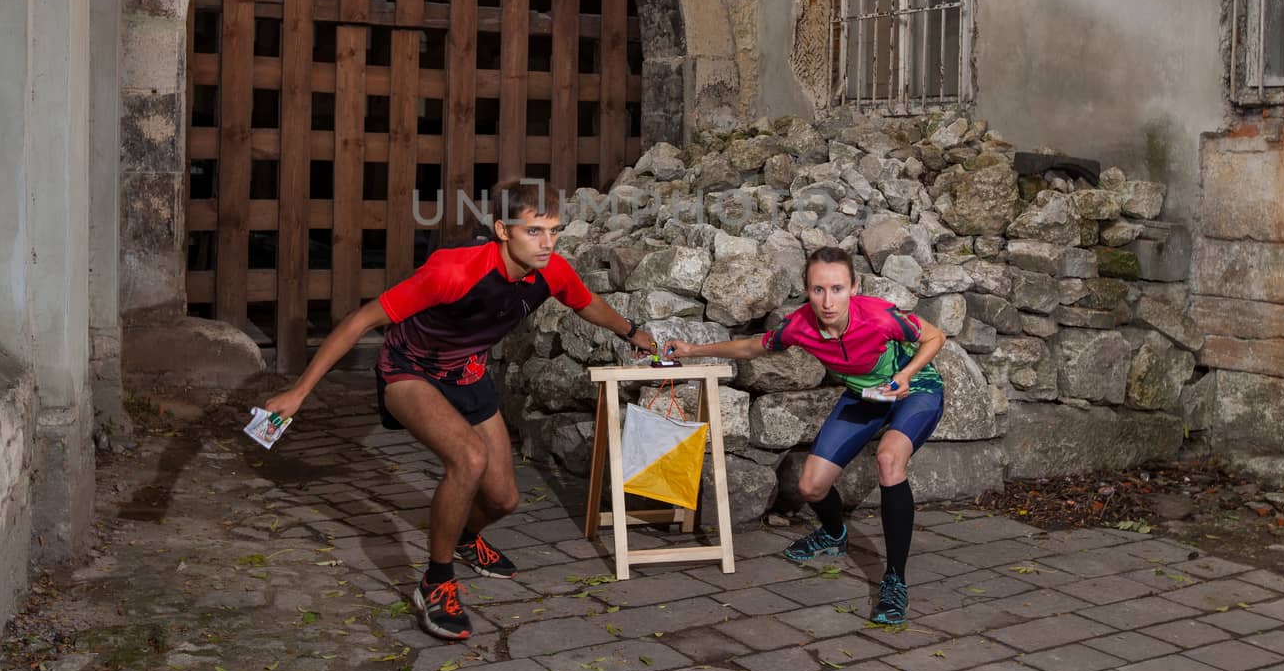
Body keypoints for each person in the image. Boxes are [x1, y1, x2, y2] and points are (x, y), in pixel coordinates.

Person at [263, 179, 658, 640]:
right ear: (502, 231)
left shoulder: (551, 272)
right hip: (410, 370)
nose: (548, 243)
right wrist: (299, 392)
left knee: (505, 499)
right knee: (468, 457)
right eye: (534, 231)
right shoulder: (453, 271)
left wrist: (633, 333)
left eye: (554, 231)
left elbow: (587, 305)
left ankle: (467, 538)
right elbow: (361, 320)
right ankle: (436, 580)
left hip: (467, 374)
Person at [663, 245, 945, 624]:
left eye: (837, 289)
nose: (828, 301)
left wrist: (906, 376)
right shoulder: (800, 326)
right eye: (818, 290)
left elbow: (935, 337)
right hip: (865, 396)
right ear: (807, 289)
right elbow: (750, 347)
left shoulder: (879, 317)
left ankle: (894, 580)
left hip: (916, 390)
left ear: (854, 287)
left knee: (889, 460)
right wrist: (693, 349)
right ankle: (833, 533)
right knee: (811, 487)